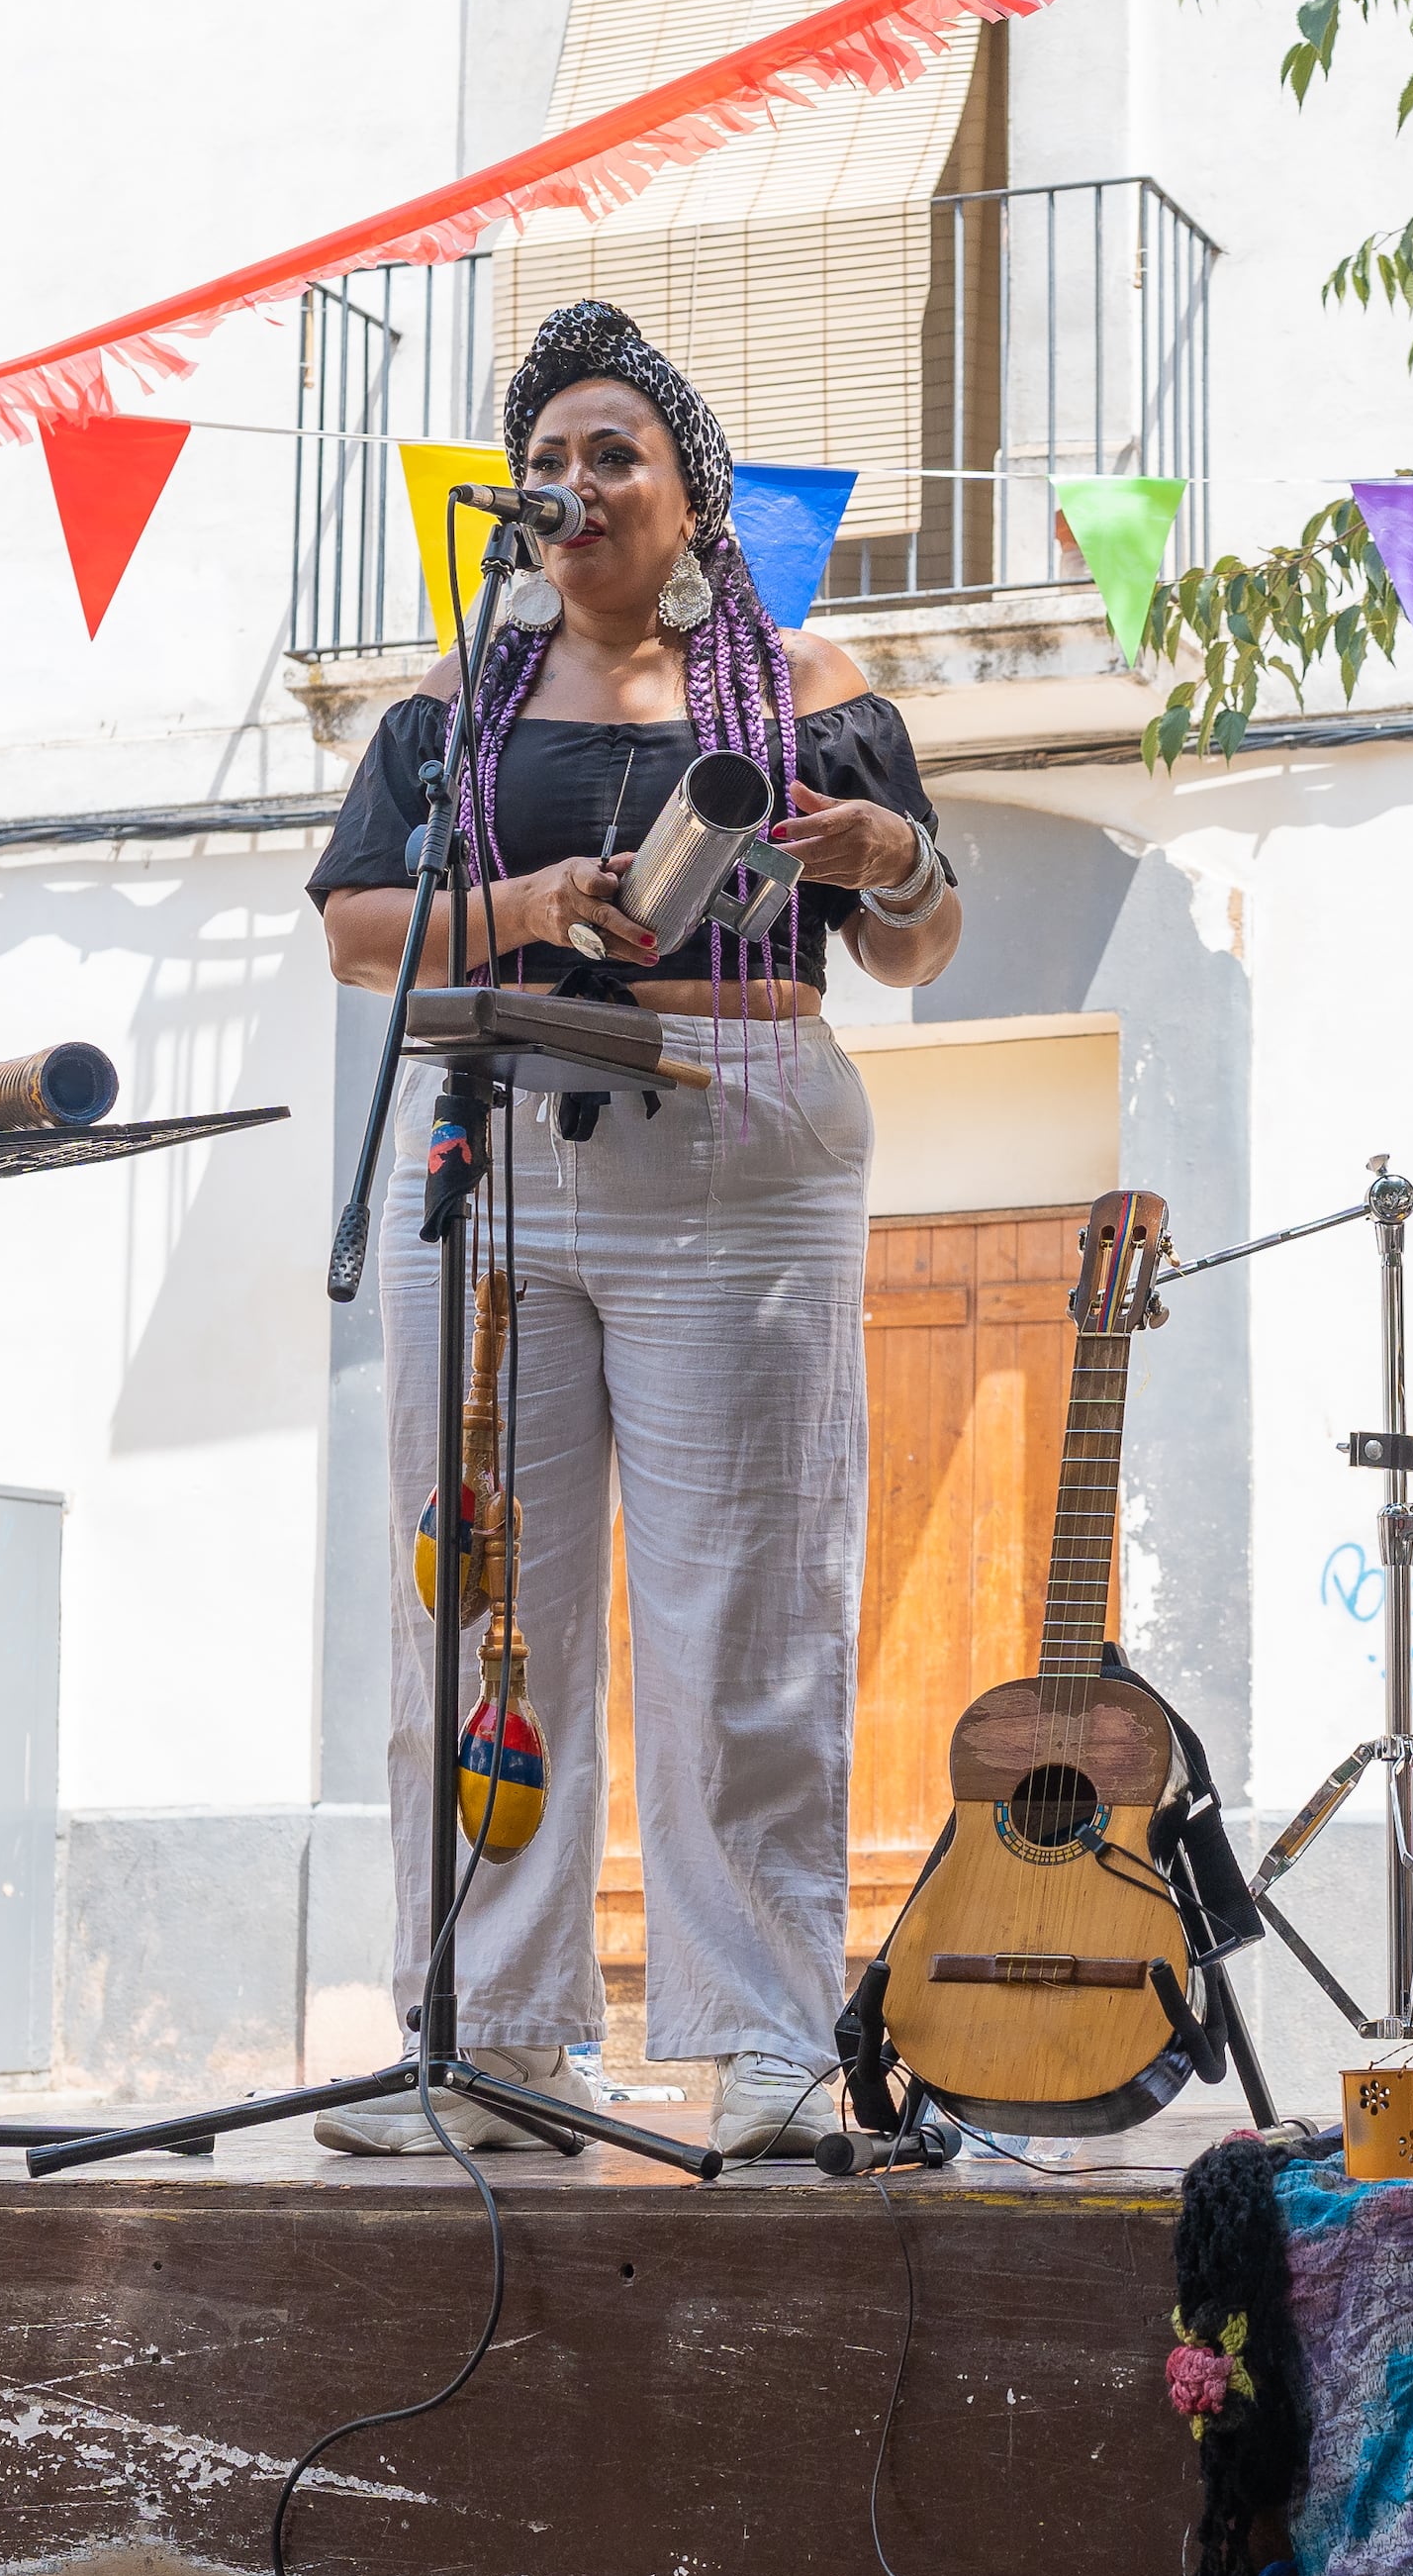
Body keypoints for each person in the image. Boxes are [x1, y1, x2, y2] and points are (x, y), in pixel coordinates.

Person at [304, 298, 966, 2162]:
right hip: (500, 1140)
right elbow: (364, 929)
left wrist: (885, 856)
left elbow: (920, 944)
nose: (576, 482)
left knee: (742, 1612)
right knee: (482, 1601)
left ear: (697, 498)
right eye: (553, 457)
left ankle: (762, 2038)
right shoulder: (461, 701)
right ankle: (493, 2041)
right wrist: (535, 899)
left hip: (737, 1148)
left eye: (619, 453)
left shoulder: (809, 684)